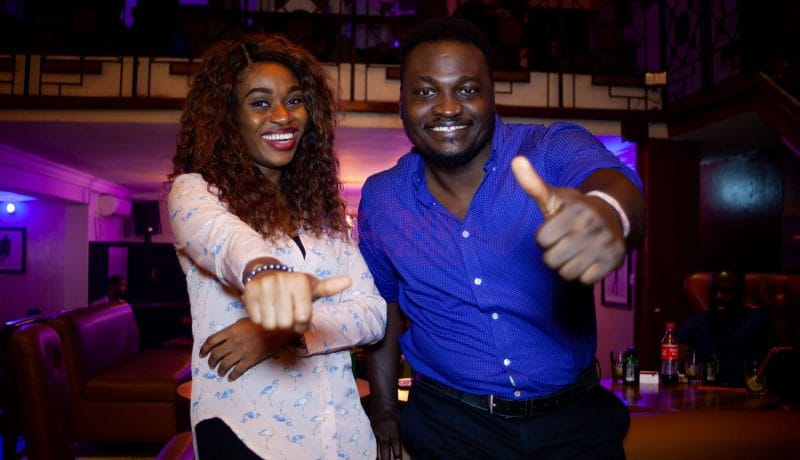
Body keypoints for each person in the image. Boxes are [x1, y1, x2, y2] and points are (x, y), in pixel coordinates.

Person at [357, 17, 646, 459]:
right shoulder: (382, 198)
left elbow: (614, 183)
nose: (447, 108)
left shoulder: (549, 148)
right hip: (450, 427)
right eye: (425, 92)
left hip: (574, 423)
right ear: (402, 102)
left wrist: (608, 214)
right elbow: (385, 307)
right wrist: (383, 409)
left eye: (467, 89)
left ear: (492, 95)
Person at [166, 34, 387, 459]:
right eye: (260, 102)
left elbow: (373, 313)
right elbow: (224, 239)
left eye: (295, 100)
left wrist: (288, 330)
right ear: (228, 116)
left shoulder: (322, 215)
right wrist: (264, 273)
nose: (283, 115)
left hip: (344, 438)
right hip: (247, 435)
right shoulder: (195, 191)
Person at [678, 269, 772, 387]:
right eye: (714, 291)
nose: (718, 296)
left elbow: (773, 364)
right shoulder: (694, 322)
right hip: (703, 391)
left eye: (726, 291)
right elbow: (675, 365)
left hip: (745, 391)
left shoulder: (758, 321)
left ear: (742, 294)